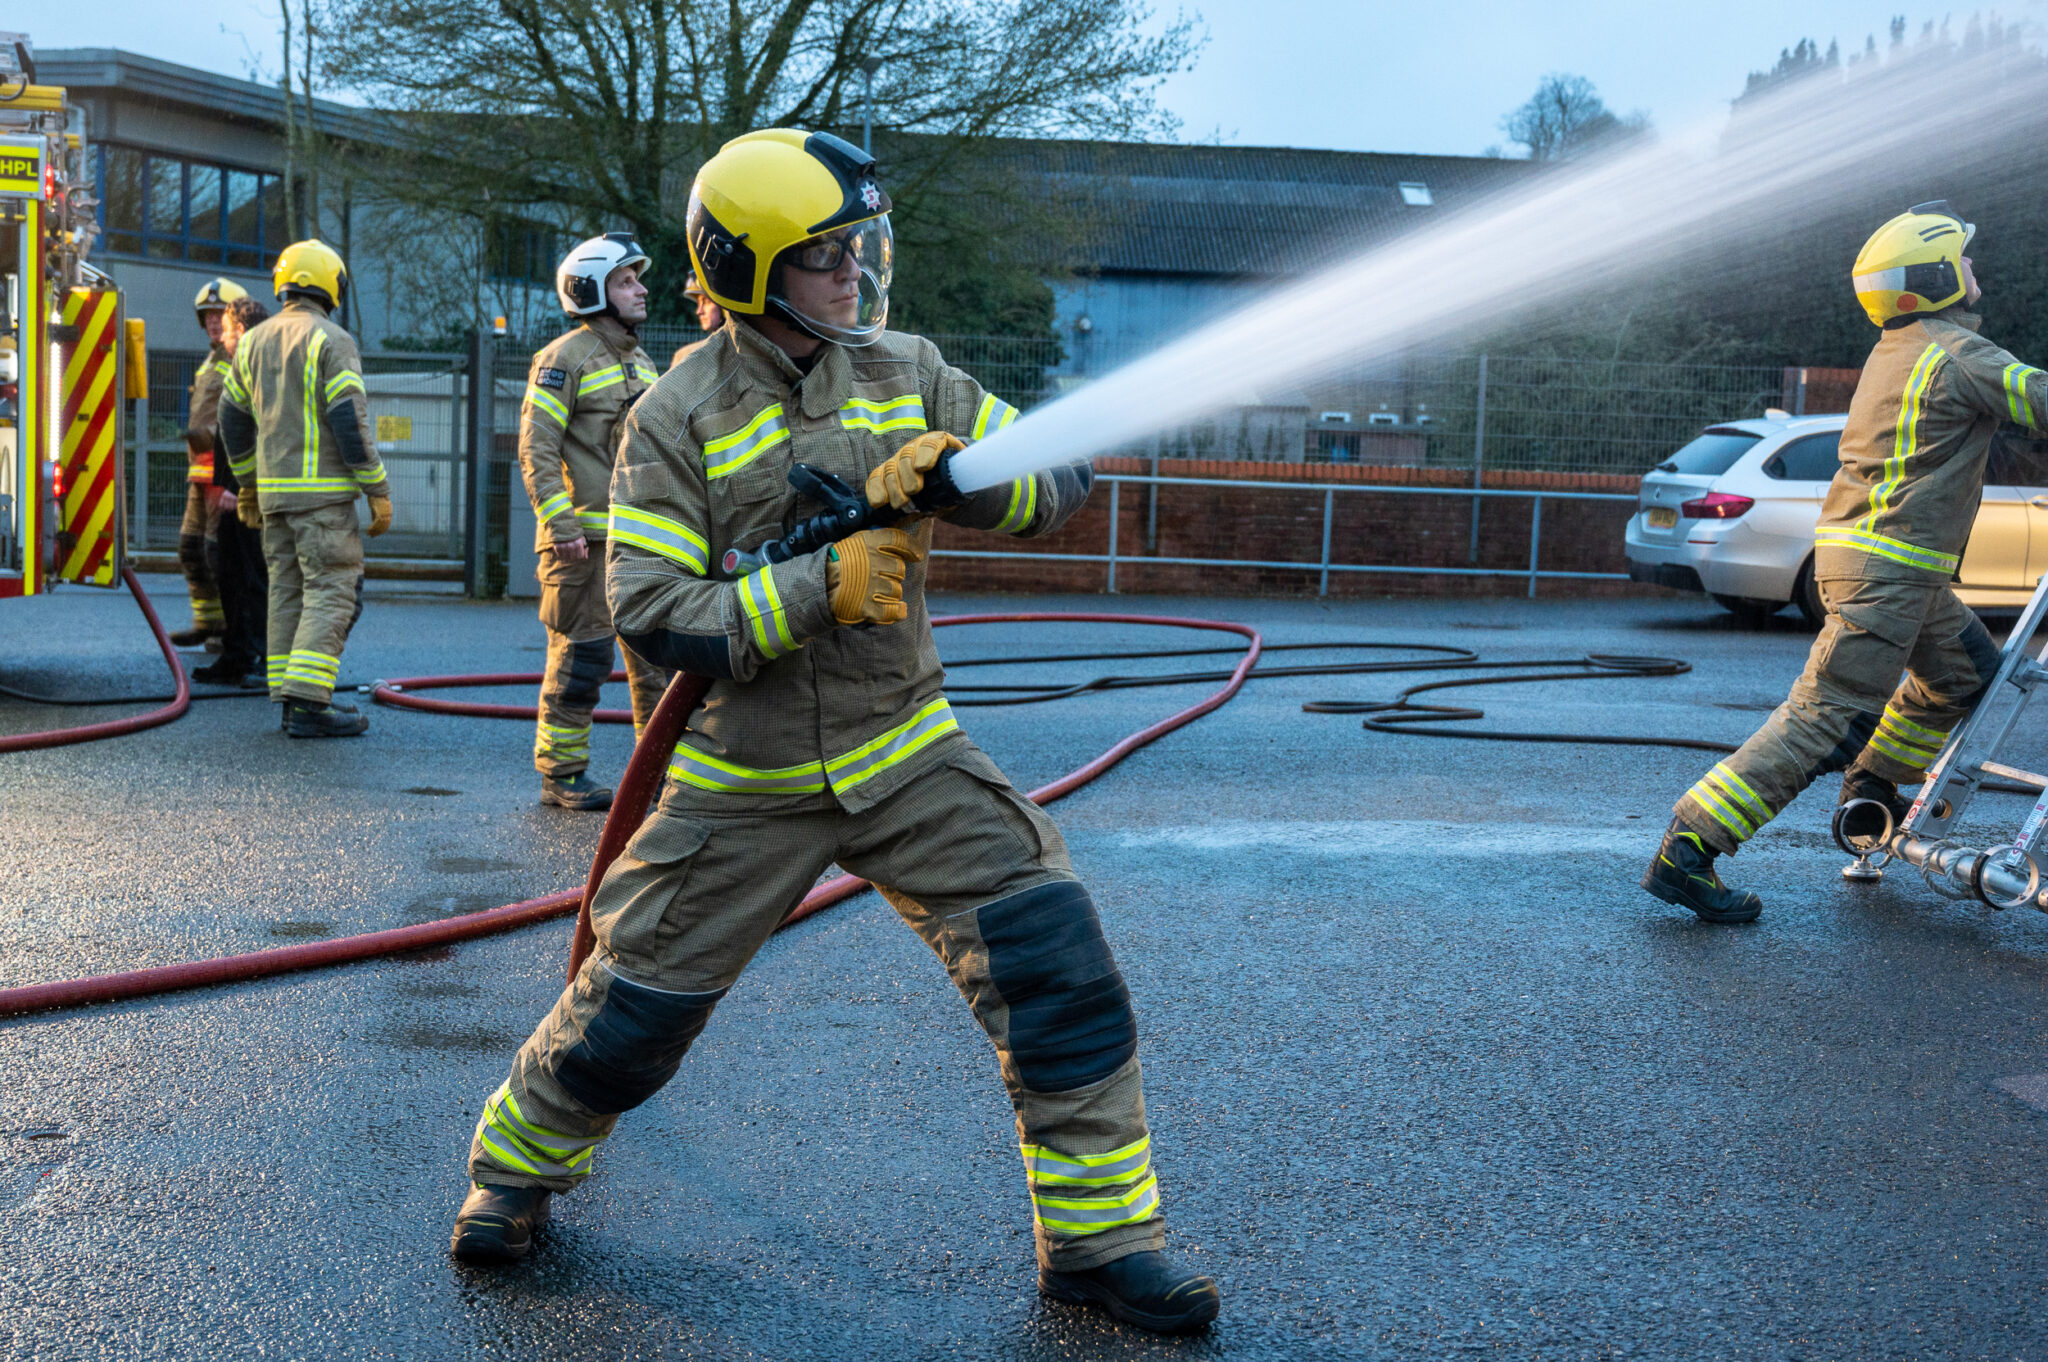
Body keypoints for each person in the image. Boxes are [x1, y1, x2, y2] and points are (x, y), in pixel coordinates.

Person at [450, 129, 1221, 1335]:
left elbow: (1057, 483)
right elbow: (650, 610)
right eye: (823, 255)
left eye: (858, 247)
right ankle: (512, 1174)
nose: (852, 271)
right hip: (743, 778)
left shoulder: (909, 367)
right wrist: (816, 588)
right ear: (747, 269)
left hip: (907, 752)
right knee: (629, 1017)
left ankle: (1100, 1246)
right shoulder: (672, 414)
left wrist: (963, 473)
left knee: (1055, 970)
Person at [1644, 200, 2043, 923]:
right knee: (1822, 718)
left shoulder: (1899, 349)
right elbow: (2039, 399)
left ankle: (1873, 790)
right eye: (1961, 256)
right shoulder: (1955, 351)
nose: (1972, 264)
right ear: (1937, 277)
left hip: (1894, 572)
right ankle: (1689, 849)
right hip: (1890, 576)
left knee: (1965, 678)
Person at [517, 233, 671, 810]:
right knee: (581, 660)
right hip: (581, 545)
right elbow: (536, 448)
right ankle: (562, 774)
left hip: (639, 544)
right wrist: (561, 526)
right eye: (626, 281)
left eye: (637, 280)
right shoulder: (563, 359)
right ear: (590, 291)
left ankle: (661, 779)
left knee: (657, 665)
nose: (641, 289)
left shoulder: (642, 362)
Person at [218, 240, 393, 739]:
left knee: (287, 594)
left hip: (274, 502)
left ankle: (287, 699)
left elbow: (231, 417)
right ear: (331, 286)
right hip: (323, 501)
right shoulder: (332, 340)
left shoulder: (252, 341)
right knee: (332, 590)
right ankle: (310, 704)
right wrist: (377, 488)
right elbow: (348, 421)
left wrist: (248, 483)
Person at [192, 296, 272, 688]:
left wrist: (240, 488)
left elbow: (258, 434)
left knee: (255, 577)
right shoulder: (242, 367)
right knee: (231, 574)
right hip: (233, 492)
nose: (222, 337)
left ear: (241, 330)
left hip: (251, 496)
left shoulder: (261, 372)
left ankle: (259, 656)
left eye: (226, 329)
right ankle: (237, 654)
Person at [170, 279, 247, 649]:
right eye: (208, 315)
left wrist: (208, 435)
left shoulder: (238, 358)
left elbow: (243, 414)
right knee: (191, 548)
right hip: (200, 472)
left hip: (223, 473)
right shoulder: (212, 359)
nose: (214, 321)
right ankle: (208, 621)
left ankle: (230, 630)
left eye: (220, 314)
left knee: (218, 554)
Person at [668, 275, 724, 371]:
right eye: (698, 303)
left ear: (724, 307)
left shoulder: (686, 356)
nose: (699, 311)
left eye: (706, 302)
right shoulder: (684, 356)